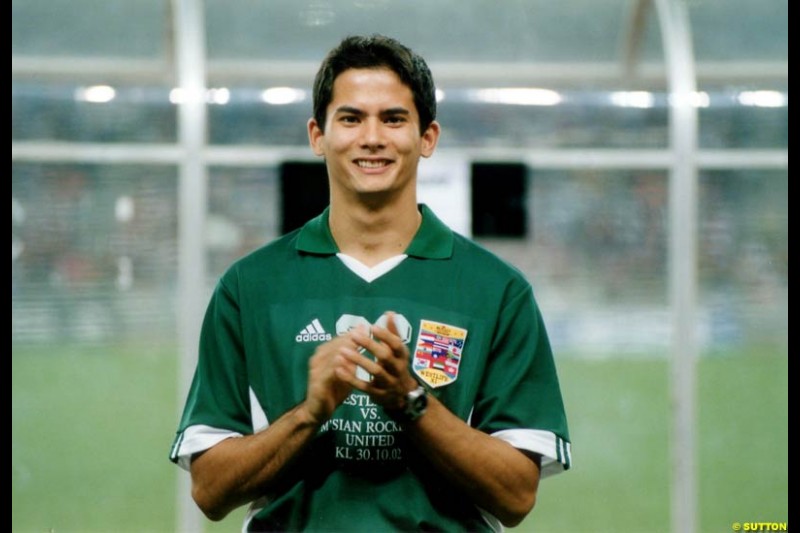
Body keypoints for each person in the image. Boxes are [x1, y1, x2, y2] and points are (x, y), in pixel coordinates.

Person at [169, 34, 571, 532]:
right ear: (318, 135)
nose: (372, 137)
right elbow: (210, 491)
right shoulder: (249, 287)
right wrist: (310, 412)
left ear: (428, 137)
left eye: (394, 118)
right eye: (352, 118)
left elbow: (516, 497)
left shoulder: (497, 290)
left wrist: (411, 401)